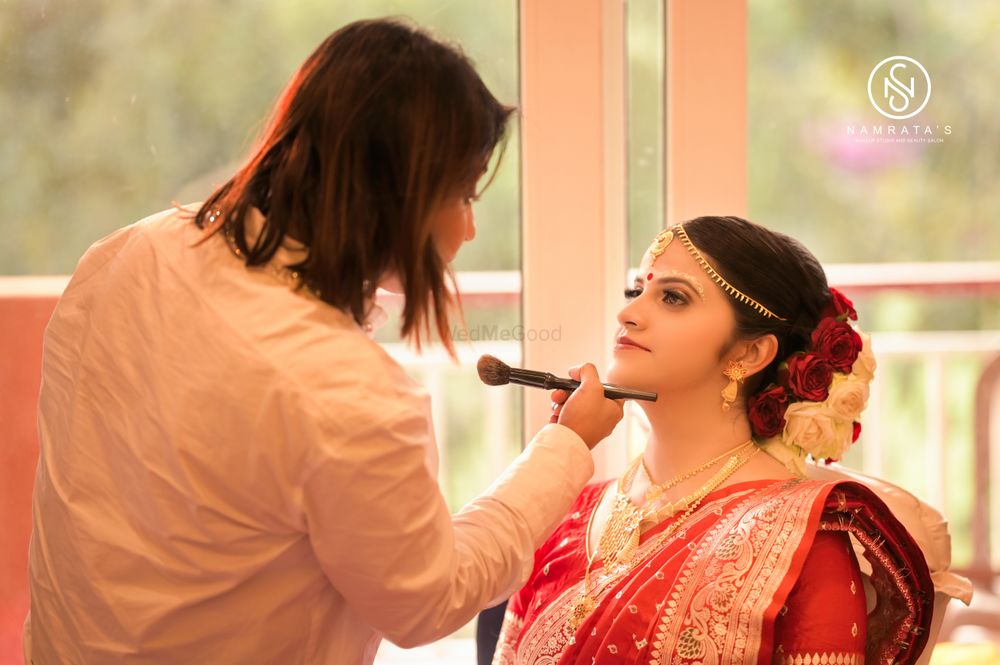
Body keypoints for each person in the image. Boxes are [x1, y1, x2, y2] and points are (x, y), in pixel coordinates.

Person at [24, 18, 624, 664]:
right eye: (463, 194)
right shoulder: (343, 387)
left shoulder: (125, 255)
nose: (471, 229)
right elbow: (427, 598)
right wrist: (565, 448)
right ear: (404, 195)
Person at [493, 216, 935, 664]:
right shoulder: (563, 513)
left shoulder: (804, 537)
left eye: (672, 297)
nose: (628, 313)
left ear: (749, 353)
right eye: (636, 291)